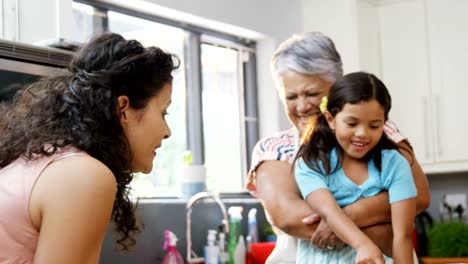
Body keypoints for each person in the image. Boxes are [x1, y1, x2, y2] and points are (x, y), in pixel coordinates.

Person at [246, 32, 430, 263]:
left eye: (312, 93)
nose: (302, 106)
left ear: (338, 87)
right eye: (291, 97)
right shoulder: (274, 148)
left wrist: (341, 217)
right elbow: (289, 218)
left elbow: (419, 196)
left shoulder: (379, 131)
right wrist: (379, 229)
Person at [0, 32, 179, 263]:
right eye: (163, 113)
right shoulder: (83, 176)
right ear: (123, 108)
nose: (167, 131)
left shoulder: (43, 159)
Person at [294, 72, 416, 263]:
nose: (362, 134)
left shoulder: (394, 164)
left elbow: (402, 237)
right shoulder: (312, 164)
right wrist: (363, 245)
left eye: (374, 126)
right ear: (331, 119)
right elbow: (329, 212)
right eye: (352, 123)